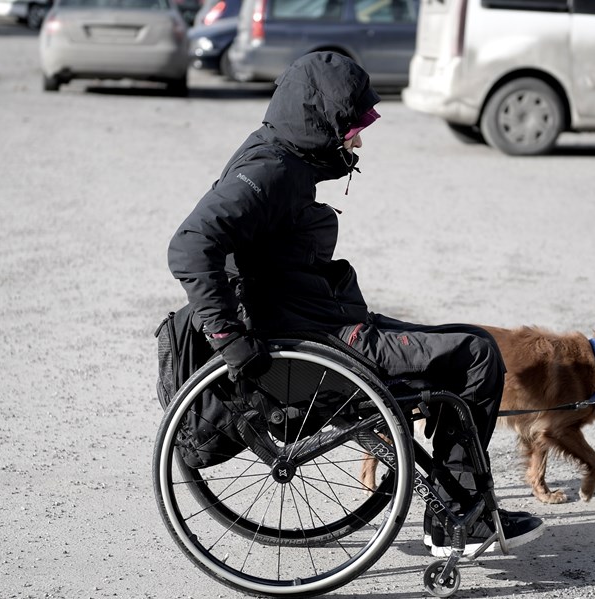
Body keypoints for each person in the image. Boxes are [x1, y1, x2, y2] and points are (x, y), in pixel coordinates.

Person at [167, 51, 543, 557]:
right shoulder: (272, 169)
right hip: (313, 342)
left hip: (321, 322)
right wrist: (229, 339)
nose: (358, 139)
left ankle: (458, 506)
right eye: (351, 127)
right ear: (321, 119)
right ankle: (456, 521)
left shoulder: (283, 157)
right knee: (476, 354)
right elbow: (190, 244)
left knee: (466, 345)